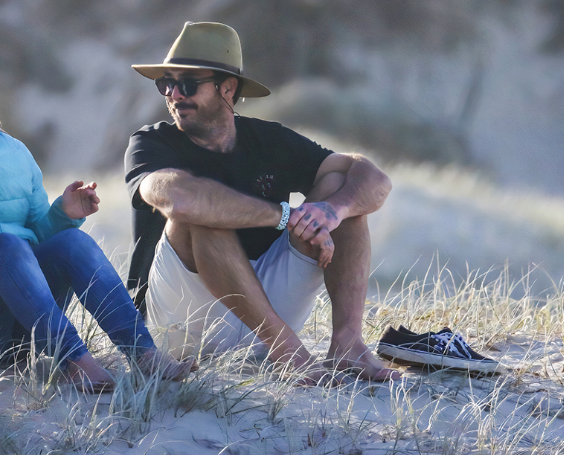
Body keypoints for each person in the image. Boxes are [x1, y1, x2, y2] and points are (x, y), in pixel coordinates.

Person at [0, 44, 193, 393]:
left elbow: (35, 236)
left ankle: (143, 354)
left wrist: (63, 214)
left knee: (72, 242)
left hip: (24, 331)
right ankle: (75, 360)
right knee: (4, 246)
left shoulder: (15, 153)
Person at [122, 22, 402, 384]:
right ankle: (288, 350)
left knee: (338, 188)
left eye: (187, 84)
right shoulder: (150, 143)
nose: (174, 94)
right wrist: (283, 216)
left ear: (227, 87)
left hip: (265, 310)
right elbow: (180, 201)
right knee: (201, 216)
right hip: (181, 322)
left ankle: (347, 344)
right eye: (166, 83)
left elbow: (375, 180)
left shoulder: (269, 140)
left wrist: (332, 212)